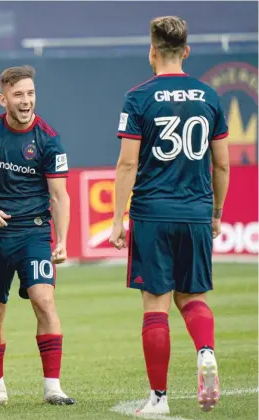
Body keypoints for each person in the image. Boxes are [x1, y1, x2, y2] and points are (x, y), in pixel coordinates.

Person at [109, 16, 230, 415]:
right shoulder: (209, 96)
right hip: (195, 211)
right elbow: (222, 166)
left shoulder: (138, 97)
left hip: (152, 213)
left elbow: (127, 165)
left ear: (152, 51)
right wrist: (215, 214)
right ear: (187, 51)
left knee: (155, 304)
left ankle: (159, 399)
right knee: (194, 297)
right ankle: (206, 351)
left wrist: (116, 219)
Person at [0, 65, 75, 406]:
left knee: (44, 301)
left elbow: (59, 195)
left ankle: (53, 387)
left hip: (34, 233)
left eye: (30, 93)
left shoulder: (48, 137)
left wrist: (62, 239)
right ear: (3, 99)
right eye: (18, 95)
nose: (26, 100)